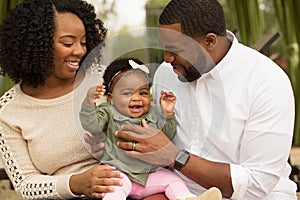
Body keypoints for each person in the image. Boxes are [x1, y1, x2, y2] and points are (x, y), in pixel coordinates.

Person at [112, 0, 298, 199]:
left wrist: (174, 155)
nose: (167, 58)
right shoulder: (166, 75)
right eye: (164, 48)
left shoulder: (266, 81)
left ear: (209, 41)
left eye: (176, 50)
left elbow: (256, 185)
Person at [0, 0, 125, 199]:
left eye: (84, 42)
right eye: (68, 43)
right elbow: (25, 183)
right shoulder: (8, 111)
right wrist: (76, 183)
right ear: (35, 44)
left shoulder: (107, 79)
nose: (80, 51)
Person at [79, 57, 212, 200]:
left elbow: (167, 136)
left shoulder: (153, 113)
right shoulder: (108, 112)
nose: (136, 98)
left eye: (142, 93)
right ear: (111, 98)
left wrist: (168, 114)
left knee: (173, 181)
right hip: (120, 171)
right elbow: (91, 125)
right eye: (127, 93)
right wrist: (88, 105)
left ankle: (188, 198)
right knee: (113, 188)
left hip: (149, 174)